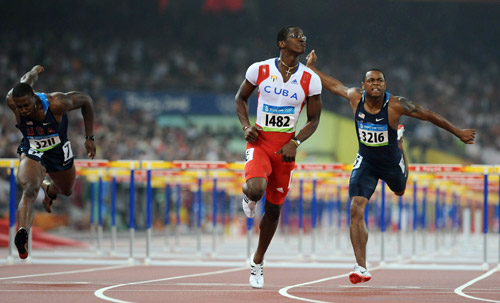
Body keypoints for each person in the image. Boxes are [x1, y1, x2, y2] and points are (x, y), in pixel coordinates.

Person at [306, 50, 476, 284]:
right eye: (371, 80)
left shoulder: (396, 105)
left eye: (380, 81)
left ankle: (400, 145)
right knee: (356, 208)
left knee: (400, 190)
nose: (376, 84)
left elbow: (428, 115)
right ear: (363, 84)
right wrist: (312, 69)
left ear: (385, 84)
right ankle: (361, 266)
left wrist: (458, 132)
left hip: (390, 163)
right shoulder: (355, 97)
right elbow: (335, 86)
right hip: (365, 161)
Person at [235, 26, 322, 288]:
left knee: (274, 210)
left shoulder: (310, 79)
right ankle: (249, 196)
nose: (302, 39)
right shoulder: (259, 70)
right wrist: (246, 126)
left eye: (304, 37)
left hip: (285, 148)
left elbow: (315, 119)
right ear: (282, 43)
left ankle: (258, 262)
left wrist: (295, 142)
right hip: (260, 141)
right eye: (296, 36)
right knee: (257, 188)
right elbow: (240, 99)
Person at [5, 65, 96, 259]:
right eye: (19, 107)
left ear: (35, 98)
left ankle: (50, 190)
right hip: (32, 147)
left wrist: (90, 138)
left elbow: (86, 101)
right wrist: (33, 71)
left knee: (66, 190)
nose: (22, 110)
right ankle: (23, 233)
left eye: (26, 106)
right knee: (29, 188)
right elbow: (26, 77)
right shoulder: (12, 100)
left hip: (57, 149)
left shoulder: (57, 102)